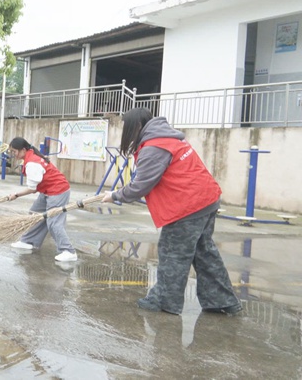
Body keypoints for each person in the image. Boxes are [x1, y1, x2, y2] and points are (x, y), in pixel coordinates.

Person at [102, 108, 241, 315]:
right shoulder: (169, 138)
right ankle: (221, 300)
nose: (126, 131)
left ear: (137, 126)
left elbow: (141, 185)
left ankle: (164, 301)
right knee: (204, 252)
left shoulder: (154, 146)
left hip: (188, 206)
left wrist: (115, 195)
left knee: (173, 254)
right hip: (206, 199)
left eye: (127, 127)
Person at [7, 137, 79, 262]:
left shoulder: (32, 163)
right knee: (36, 214)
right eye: (12, 152)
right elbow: (36, 187)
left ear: (23, 150)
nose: (14, 154)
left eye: (15, 151)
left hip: (58, 191)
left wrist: (16, 195)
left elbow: (32, 189)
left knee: (53, 222)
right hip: (47, 190)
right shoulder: (30, 156)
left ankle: (68, 251)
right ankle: (29, 242)